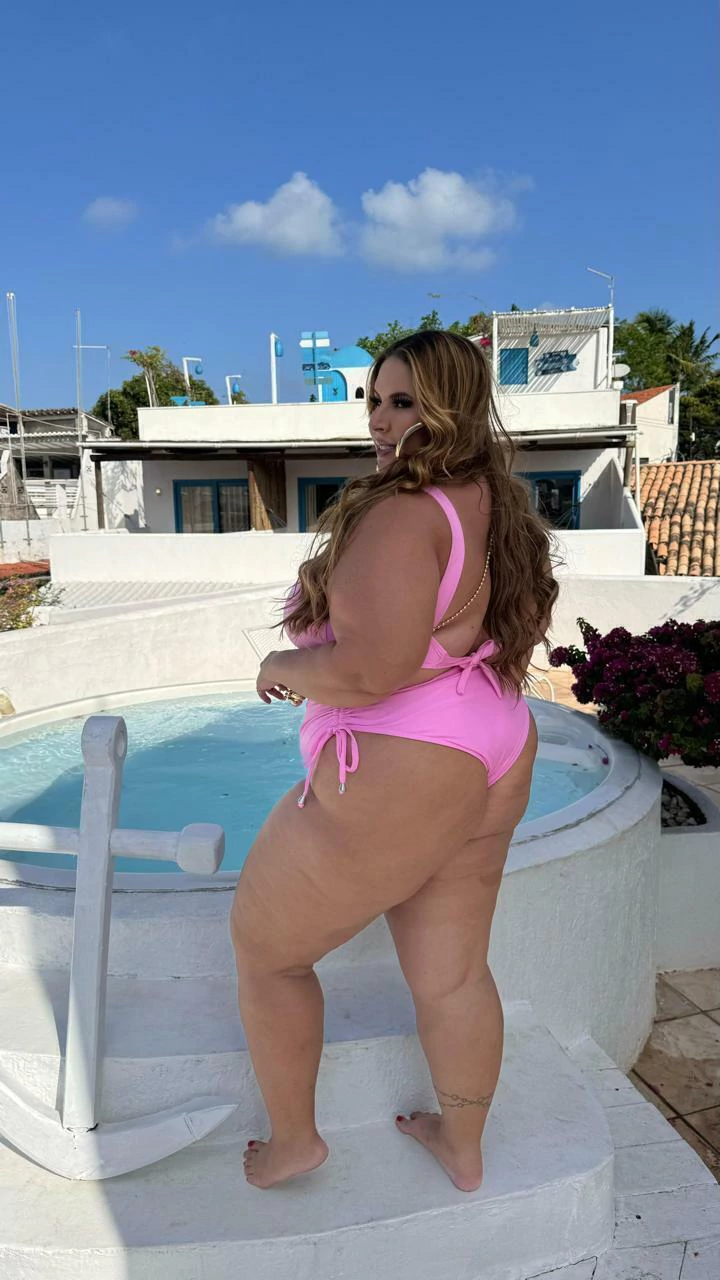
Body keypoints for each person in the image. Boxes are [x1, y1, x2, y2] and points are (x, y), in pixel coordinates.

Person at [230, 330, 558, 1192]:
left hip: (409, 762)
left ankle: (295, 1143)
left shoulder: (402, 514)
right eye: (373, 400)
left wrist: (280, 665)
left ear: (448, 408)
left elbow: (368, 673)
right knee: (453, 976)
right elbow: (443, 637)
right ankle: (464, 1147)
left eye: (403, 402)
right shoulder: (486, 498)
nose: (379, 420)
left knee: (267, 954)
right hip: (492, 737)